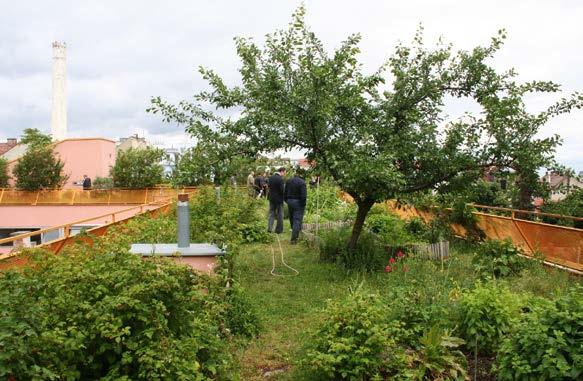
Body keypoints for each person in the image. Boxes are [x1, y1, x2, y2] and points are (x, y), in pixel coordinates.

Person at [284, 171, 307, 244]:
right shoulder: (302, 182)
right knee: (297, 220)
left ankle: (296, 233)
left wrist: (287, 200)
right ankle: (293, 240)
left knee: (292, 218)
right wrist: (303, 204)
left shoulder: (288, 181)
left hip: (290, 201)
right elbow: (304, 196)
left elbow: (285, 192)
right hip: (298, 202)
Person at [267, 167, 286, 234]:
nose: (284, 174)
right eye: (284, 172)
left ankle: (269, 228)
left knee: (271, 213)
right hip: (279, 199)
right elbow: (282, 191)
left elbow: (268, 187)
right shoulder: (281, 179)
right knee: (280, 214)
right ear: (282, 171)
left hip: (271, 198)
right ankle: (278, 230)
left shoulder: (271, 178)